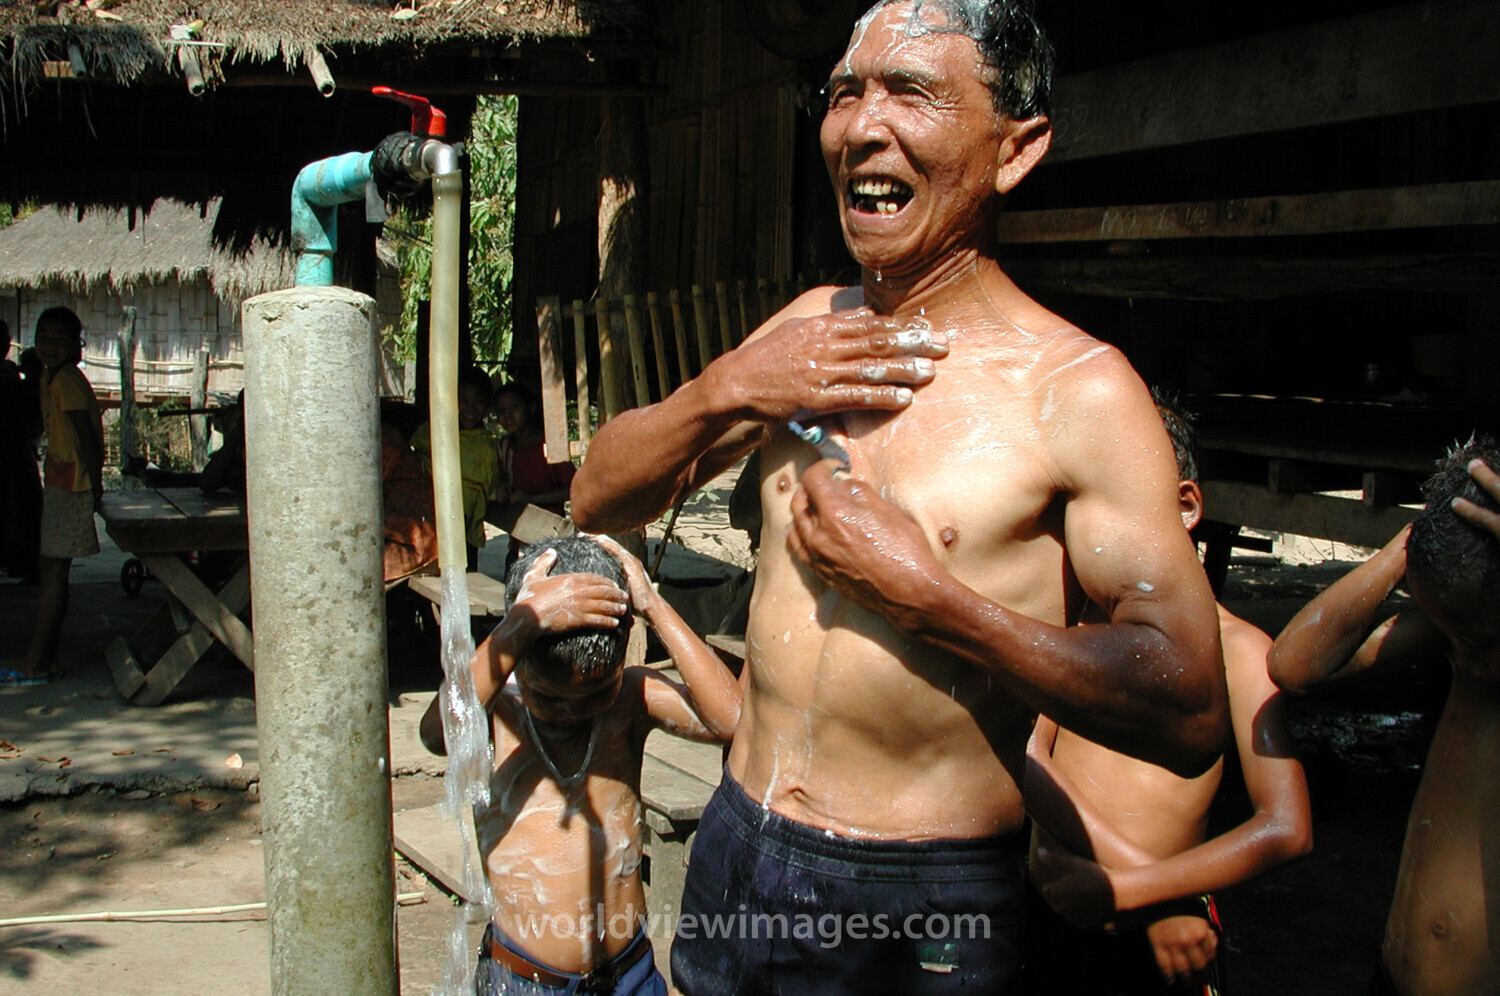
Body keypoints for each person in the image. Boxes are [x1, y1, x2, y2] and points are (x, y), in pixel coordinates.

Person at [568, 1, 1229, 991]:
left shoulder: (1075, 393)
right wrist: (724, 391)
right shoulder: (804, 330)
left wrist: (935, 600)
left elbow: (1185, 705)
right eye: (845, 92)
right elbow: (595, 498)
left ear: (1017, 149)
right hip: (739, 841)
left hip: (926, 891)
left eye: (910, 91)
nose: (860, 127)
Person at [1024, 396, 1313, 994]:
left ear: (1186, 506)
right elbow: (1024, 762)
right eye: (1075, 503)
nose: (1085, 528)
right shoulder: (1069, 631)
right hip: (1063, 913)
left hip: (1171, 939)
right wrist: (1152, 895)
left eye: (1111, 501)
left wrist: (1141, 895)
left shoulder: (1238, 651)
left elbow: (1287, 826)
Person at [419, 535, 742, 995]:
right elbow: (436, 735)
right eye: (549, 696)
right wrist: (521, 622)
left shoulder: (631, 700)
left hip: (629, 974)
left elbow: (733, 720)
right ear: (516, 666)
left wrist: (651, 603)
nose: (572, 711)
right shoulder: (497, 714)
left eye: (594, 695)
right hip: (528, 980)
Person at [1268, 438, 1500, 996]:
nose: (1465, 657)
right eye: (1456, 636)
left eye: (1482, 642)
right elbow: (1295, 664)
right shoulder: (1464, 641)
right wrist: (1410, 546)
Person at [2, 307, 103, 685]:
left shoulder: (66, 382)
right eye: (43, 338)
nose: (49, 345)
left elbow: (87, 437)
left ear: (76, 346)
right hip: (62, 481)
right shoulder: (50, 377)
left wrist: (95, 484)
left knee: (54, 575)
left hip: (72, 485)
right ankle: (48, 659)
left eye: (59, 340)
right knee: (51, 573)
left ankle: (36, 662)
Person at [411, 366, 501, 572]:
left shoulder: (487, 445)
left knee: (466, 574)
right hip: (430, 523)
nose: (470, 408)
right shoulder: (431, 434)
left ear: (487, 405)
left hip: (465, 528)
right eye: (463, 400)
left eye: (478, 401)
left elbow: (492, 487)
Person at [493, 380, 578, 567]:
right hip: (518, 540)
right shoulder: (505, 447)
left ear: (530, 408)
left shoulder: (550, 448)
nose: (507, 415)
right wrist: (502, 488)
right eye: (501, 410)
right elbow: (502, 480)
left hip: (551, 538)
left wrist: (533, 498)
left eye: (514, 407)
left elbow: (573, 490)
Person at [0, 319, 43, 581]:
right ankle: (23, 564)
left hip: (15, 454)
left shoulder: (13, 379)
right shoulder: (11, 380)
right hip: (15, 454)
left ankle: (24, 563)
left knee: (23, 511)